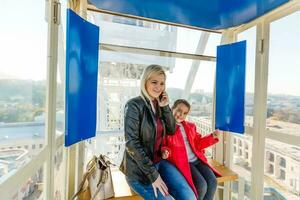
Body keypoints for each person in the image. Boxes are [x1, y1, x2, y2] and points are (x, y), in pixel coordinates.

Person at [120, 65, 196, 200]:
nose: (158, 87)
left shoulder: (159, 104)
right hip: (140, 172)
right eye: (154, 82)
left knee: (190, 196)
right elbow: (131, 143)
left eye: (162, 83)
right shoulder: (133, 105)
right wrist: (153, 176)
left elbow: (172, 130)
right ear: (145, 82)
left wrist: (165, 106)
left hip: (160, 162)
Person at [161, 99, 222, 200]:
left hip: (197, 160)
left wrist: (212, 137)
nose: (181, 115)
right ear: (172, 108)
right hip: (185, 163)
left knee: (212, 181)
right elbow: (163, 144)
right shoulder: (166, 127)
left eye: (185, 113)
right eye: (179, 110)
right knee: (201, 185)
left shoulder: (190, 126)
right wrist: (165, 151)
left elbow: (198, 143)